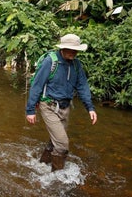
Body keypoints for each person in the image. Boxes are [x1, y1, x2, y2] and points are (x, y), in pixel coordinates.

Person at [25, 34, 98, 171]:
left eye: (75, 50)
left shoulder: (76, 65)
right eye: (70, 49)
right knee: (63, 145)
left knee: (55, 141)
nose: (73, 52)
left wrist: (90, 108)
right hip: (49, 106)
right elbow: (37, 85)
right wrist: (30, 110)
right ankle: (56, 176)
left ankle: (42, 165)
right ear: (62, 48)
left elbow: (82, 86)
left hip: (65, 107)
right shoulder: (50, 62)